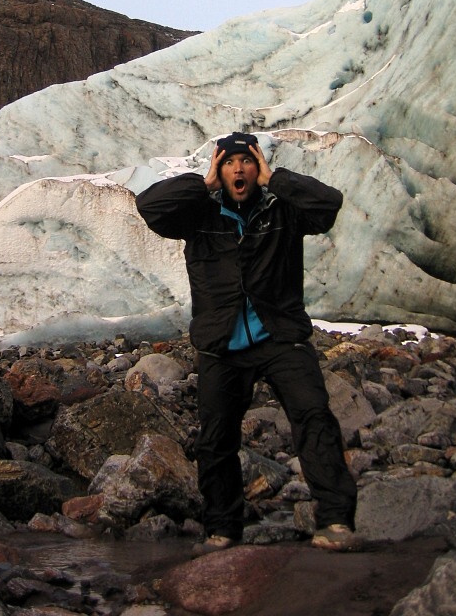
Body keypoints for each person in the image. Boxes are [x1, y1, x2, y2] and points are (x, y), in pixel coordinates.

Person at [136, 131, 360, 553]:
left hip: (281, 337)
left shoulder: (283, 211)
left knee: (313, 417)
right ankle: (222, 529)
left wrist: (278, 182)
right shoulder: (199, 215)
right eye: (229, 162)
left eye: (247, 161)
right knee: (216, 439)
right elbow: (149, 207)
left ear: (258, 168)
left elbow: (328, 204)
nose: (238, 169)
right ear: (219, 171)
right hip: (222, 344)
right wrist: (200, 186)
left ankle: (335, 521)